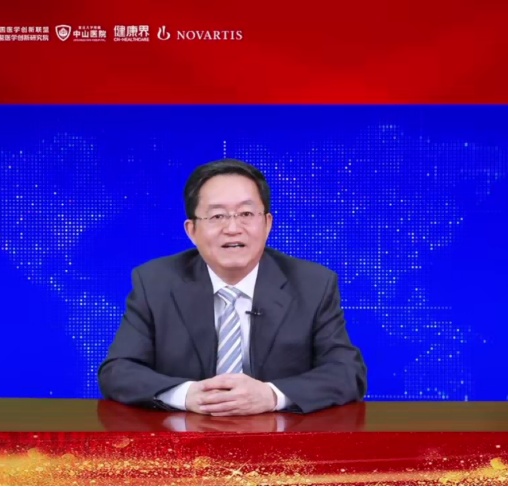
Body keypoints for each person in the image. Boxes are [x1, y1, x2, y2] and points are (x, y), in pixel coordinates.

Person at [98, 158, 368, 416]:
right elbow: (118, 371)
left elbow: (347, 372)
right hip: (185, 440)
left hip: (281, 440)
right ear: (191, 231)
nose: (232, 228)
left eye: (246, 214)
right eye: (217, 216)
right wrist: (186, 394)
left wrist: (272, 396)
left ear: (267, 224)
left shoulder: (313, 284)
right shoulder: (155, 282)